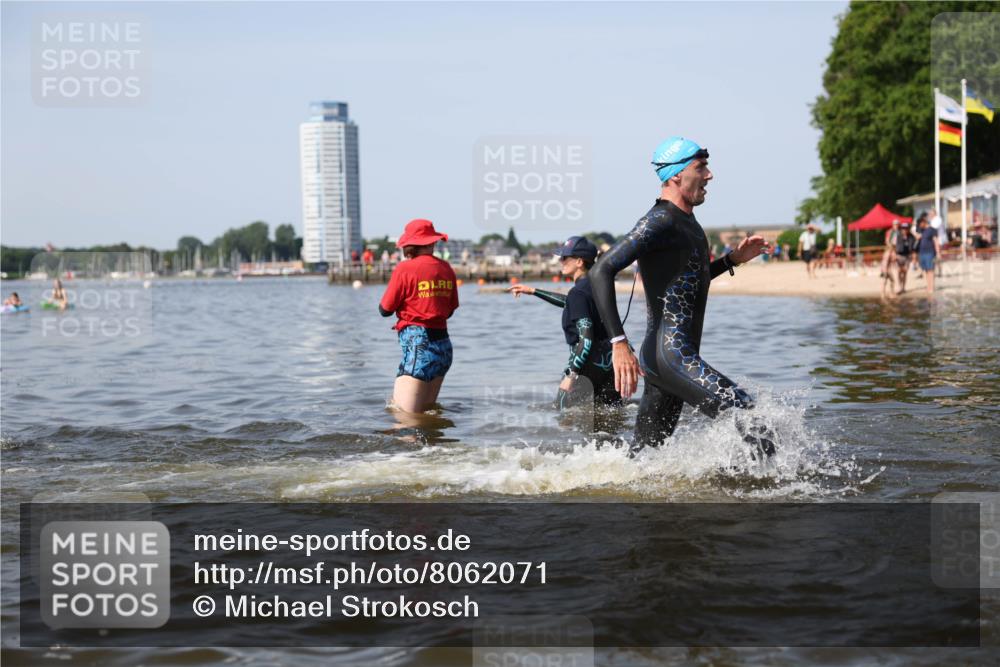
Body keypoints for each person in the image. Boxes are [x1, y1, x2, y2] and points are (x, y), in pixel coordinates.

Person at [590, 136, 774, 457]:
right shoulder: (660, 220)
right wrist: (618, 343)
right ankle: (771, 499)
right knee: (753, 420)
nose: (709, 175)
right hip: (671, 357)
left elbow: (687, 282)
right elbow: (600, 270)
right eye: (701, 167)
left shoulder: (687, 223)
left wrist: (731, 261)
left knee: (646, 460)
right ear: (677, 175)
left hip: (667, 358)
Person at [506, 236, 619, 410]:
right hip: (610, 364)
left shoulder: (578, 293)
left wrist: (571, 375)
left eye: (565, 258)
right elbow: (571, 303)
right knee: (611, 418)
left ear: (579, 262)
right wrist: (534, 291)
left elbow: (586, 339)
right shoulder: (598, 286)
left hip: (586, 367)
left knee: (563, 415)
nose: (560, 261)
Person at [378, 219, 459, 413]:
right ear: (432, 242)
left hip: (418, 346)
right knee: (426, 414)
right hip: (443, 348)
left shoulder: (405, 269)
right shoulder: (446, 268)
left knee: (403, 417)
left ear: (410, 244)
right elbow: (449, 310)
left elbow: (384, 310)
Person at [916, 215, 940, 295]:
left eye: (920, 223)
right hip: (922, 253)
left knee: (931, 270)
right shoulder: (922, 231)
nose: (919, 225)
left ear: (924, 222)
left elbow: (936, 241)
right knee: (926, 270)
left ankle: (931, 287)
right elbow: (917, 237)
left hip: (930, 252)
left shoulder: (932, 230)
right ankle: (928, 287)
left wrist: (938, 253)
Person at [894, 221, 916, 294]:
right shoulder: (898, 236)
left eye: (906, 228)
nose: (904, 230)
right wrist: (894, 255)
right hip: (899, 256)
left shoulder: (911, 237)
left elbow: (913, 248)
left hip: (907, 256)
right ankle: (900, 287)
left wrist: (913, 259)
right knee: (899, 272)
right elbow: (894, 246)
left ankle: (903, 287)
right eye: (903, 228)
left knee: (905, 272)